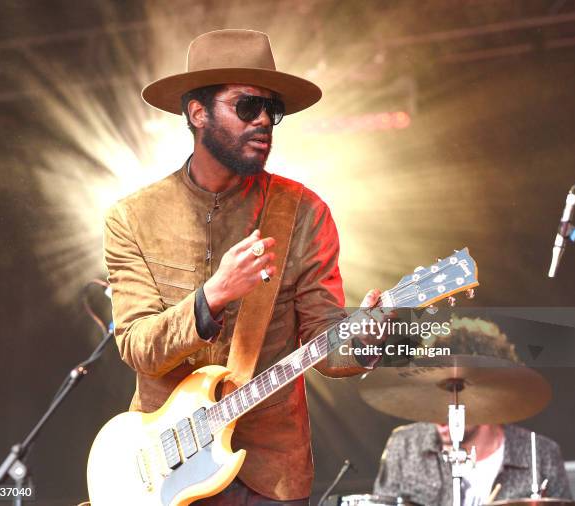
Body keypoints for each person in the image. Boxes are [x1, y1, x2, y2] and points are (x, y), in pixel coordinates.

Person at [104, 29, 383, 505]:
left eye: (272, 111)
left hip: (269, 474)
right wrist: (212, 297)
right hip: (161, 472)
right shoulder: (132, 217)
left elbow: (327, 347)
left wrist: (371, 336)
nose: (264, 123)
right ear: (198, 113)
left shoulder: (304, 211)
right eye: (247, 107)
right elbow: (138, 347)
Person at [373, 316, 572, 505]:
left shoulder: (541, 454)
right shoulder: (405, 446)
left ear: (492, 392)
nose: (442, 407)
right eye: (438, 389)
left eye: (457, 389)